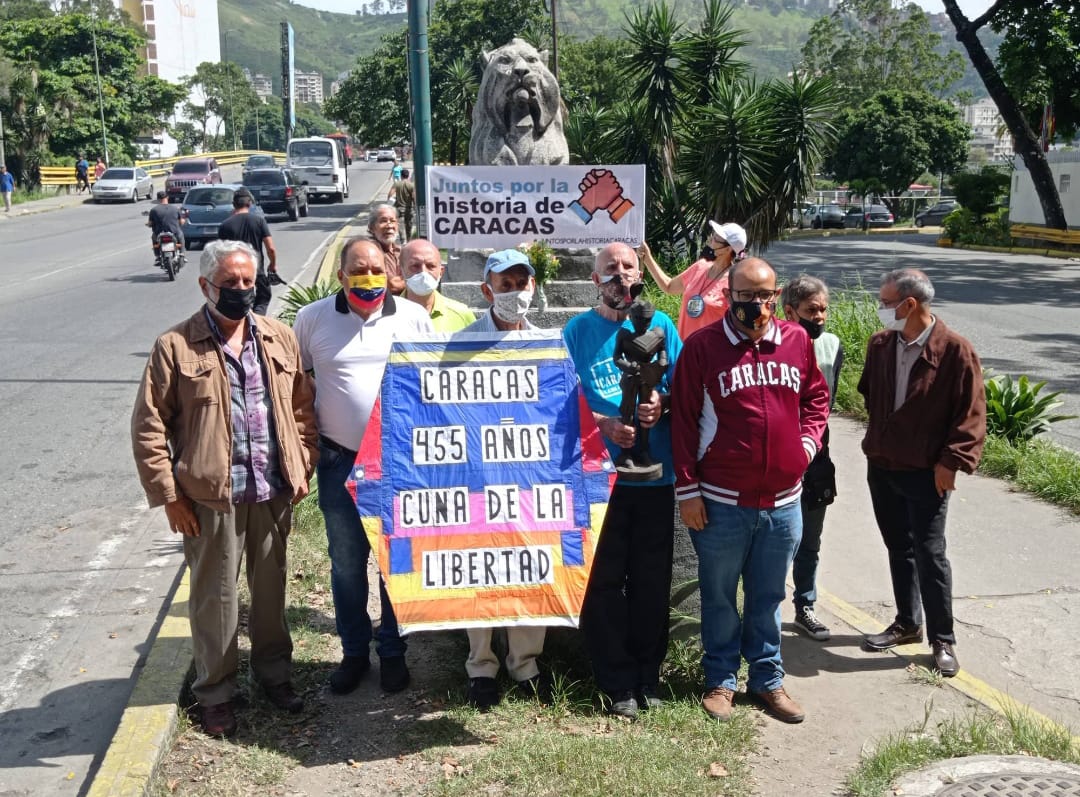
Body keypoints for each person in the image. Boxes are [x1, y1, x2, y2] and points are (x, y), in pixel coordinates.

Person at [131, 240, 319, 737]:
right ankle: (215, 693)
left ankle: (275, 676)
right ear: (205, 286)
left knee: (271, 591)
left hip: (272, 490)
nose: (240, 291)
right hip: (211, 497)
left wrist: (305, 464)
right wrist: (170, 496)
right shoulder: (175, 346)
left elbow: (302, 408)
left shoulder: (278, 337)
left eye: (247, 282)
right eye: (229, 283)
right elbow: (150, 427)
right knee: (215, 599)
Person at [670, 257, 829, 725]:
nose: (755, 305)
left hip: (784, 503)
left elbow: (815, 398)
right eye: (745, 296)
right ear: (728, 296)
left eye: (763, 296)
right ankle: (720, 679)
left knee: (767, 597)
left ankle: (767, 679)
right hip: (720, 500)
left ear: (776, 296)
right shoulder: (702, 347)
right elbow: (682, 421)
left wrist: (806, 443)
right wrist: (688, 490)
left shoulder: (797, 340)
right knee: (719, 595)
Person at [292, 237, 434, 695]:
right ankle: (354, 653)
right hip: (340, 460)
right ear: (341, 276)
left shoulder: (413, 316)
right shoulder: (311, 319)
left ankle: (392, 652)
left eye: (376, 268)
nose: (369, 276)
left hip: (398, 459)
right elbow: (300, 385)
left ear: (389, 270)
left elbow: (433, 383)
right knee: (348, 563)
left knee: (395, 560)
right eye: (359, 269)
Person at [563, 243, 682, 720]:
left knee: (653, 581)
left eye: (628, 267)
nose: (620, 275)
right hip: (598, 480)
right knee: (604, 583)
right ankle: (616, 682)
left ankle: (649, 675)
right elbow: (559, 400)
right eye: (609, 269)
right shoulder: (577, 331)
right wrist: (603, 423)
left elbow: (681, 385)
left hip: (655, 478)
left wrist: (662, 405)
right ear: (595, 280)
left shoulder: (662, 326)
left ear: (640, 276)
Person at [859, 269, 986, 678]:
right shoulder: (880, 345)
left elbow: (971, 415)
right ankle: (907, 622)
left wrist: (952, 462)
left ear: (909, 304)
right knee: (899, 547)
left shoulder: (955, 351)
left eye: (886, 302)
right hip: (882, 465)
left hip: (927, 473)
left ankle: (942, 638)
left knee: (930, 554)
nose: (882, 310)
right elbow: (870, 395)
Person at [458, 249, 546, 709]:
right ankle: (481, 666)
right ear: (486, 290)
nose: (515, 293)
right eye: (505, 285)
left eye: (521, 283)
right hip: (478, 478)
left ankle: (525, 663)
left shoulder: (549, 345)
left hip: (532, 478)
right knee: (481, 570)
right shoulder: (459, 343)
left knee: (531, 566)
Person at [781, 276, 843, 641]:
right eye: (810, 310)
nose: (819, 317)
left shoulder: (832, 346)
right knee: (774, 541)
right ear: (790, 312)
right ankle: (762, 610)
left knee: (810, 539)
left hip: (817, 455)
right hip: (777, 456)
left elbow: (827, 400)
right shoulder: (769, 343)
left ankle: (806, 605)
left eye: (823, 310)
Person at [638, 221, 746, 340]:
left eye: (716, 238)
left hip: (709, 353)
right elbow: (669, 286)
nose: (711, 238)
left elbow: (737, 326)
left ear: (728, 249)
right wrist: (647, 258)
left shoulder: (734, 283)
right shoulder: (700, 267)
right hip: (684, 348)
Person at [218, 188, 278, 316]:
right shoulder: (259, 221)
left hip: (234, 272)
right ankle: (257, 321)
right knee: (263, 298)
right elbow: (271, 248)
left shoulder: (225, 225)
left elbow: (221, 253)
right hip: (257, 270)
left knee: (239, 301)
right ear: (250, 203)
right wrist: (273, 264)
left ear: (234, 204)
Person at [400, 238, 475, 331]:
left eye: (431, 266)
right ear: (401, 271)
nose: (423, 272)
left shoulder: (463, 315)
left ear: (441, 272)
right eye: (415, 266)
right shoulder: (384, 316)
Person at [366, 203, 404, 294]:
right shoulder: (369, 252)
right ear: (371, 227)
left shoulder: (401, 251)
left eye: (392, 221)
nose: (389, 225)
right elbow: (392, 286)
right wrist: (412, 280)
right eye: (383, 221)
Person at [146, 190, 186, 264]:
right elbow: (181, 222)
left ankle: (157, 256)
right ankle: (182, 253)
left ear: (158, 199)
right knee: (181, 236)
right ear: (167, 197)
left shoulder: (154, 210)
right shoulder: (175, 208)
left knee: (153, 238)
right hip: (174, 232)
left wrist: (148, 224)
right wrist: (183, 221)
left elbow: (150, 223)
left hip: (159, 233)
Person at [387, 168, 415, 243]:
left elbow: (390, 193)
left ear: (401, 176)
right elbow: (414, 197)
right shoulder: (411, 185)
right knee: (409, 225)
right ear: (408, 176)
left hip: (399, 208)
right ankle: (409, 240)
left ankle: (403, 240)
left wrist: (389, 201)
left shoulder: (397, 184)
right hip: (409, 208)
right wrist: (415, 206)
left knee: (400, 225)